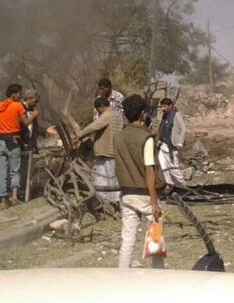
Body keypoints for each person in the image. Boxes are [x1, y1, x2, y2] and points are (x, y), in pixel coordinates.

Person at [113, 93, 165, 269]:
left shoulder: (118, 137)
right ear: (142, 114)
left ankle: (121, 276)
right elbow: (149, 170)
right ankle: (158, 275)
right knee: (155, 239)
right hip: (145, 194)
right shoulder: (146, 138)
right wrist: (154, 203)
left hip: (126, 194)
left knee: (127, 240)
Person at [0, 83, 34, 207]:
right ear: (14, 94)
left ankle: (3, 200)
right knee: (14, 171)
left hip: (0, 142)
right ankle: (14, 197)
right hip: (13, 141)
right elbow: (26, 122)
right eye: (19, 94)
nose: (21, 96)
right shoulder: (17, 106)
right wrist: (34, 115)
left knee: (1, 172)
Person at [75, 95, 125, 203]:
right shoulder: (118, 115)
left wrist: (79, 135)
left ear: (102, 106)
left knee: (103, 177)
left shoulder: (107, 115)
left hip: (106, 151)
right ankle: (115, 199)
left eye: (99, 110)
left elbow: (94, 126)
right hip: (116, 150)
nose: (99, 113)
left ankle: (104, 199)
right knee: (113, 177)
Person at [155, 97, 187, 190]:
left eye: (165, 106)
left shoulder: (176, 115)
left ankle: (183, 187)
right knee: (163, 166)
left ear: (170, 106)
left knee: (174, 168)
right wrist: (160, 139)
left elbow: (183, 129)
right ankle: (170, 185)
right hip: (163, 145)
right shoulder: (164, 116)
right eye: (162, 106)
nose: (163, 108)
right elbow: (163, 128)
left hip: (172, 146)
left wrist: (180, 143)